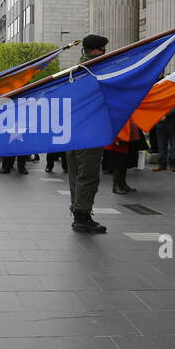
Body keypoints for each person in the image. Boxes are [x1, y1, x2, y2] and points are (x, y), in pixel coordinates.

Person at [66, 34, 110, 233]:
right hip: (90, 129)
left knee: (76, 172)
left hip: (74, 130)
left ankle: (78, 210)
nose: (104, 53)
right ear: (95, 51)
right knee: (88, 173)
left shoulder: (74, 70)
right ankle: (82, 216)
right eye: (103, 50)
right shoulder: (95, 70)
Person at [150, 105, 175, 173]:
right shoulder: (160, 96)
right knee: (161, 146)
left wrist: (164, 115)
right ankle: (161, 165)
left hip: (173, 125)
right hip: (160, 125)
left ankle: (172, 165)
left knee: (173, 147)